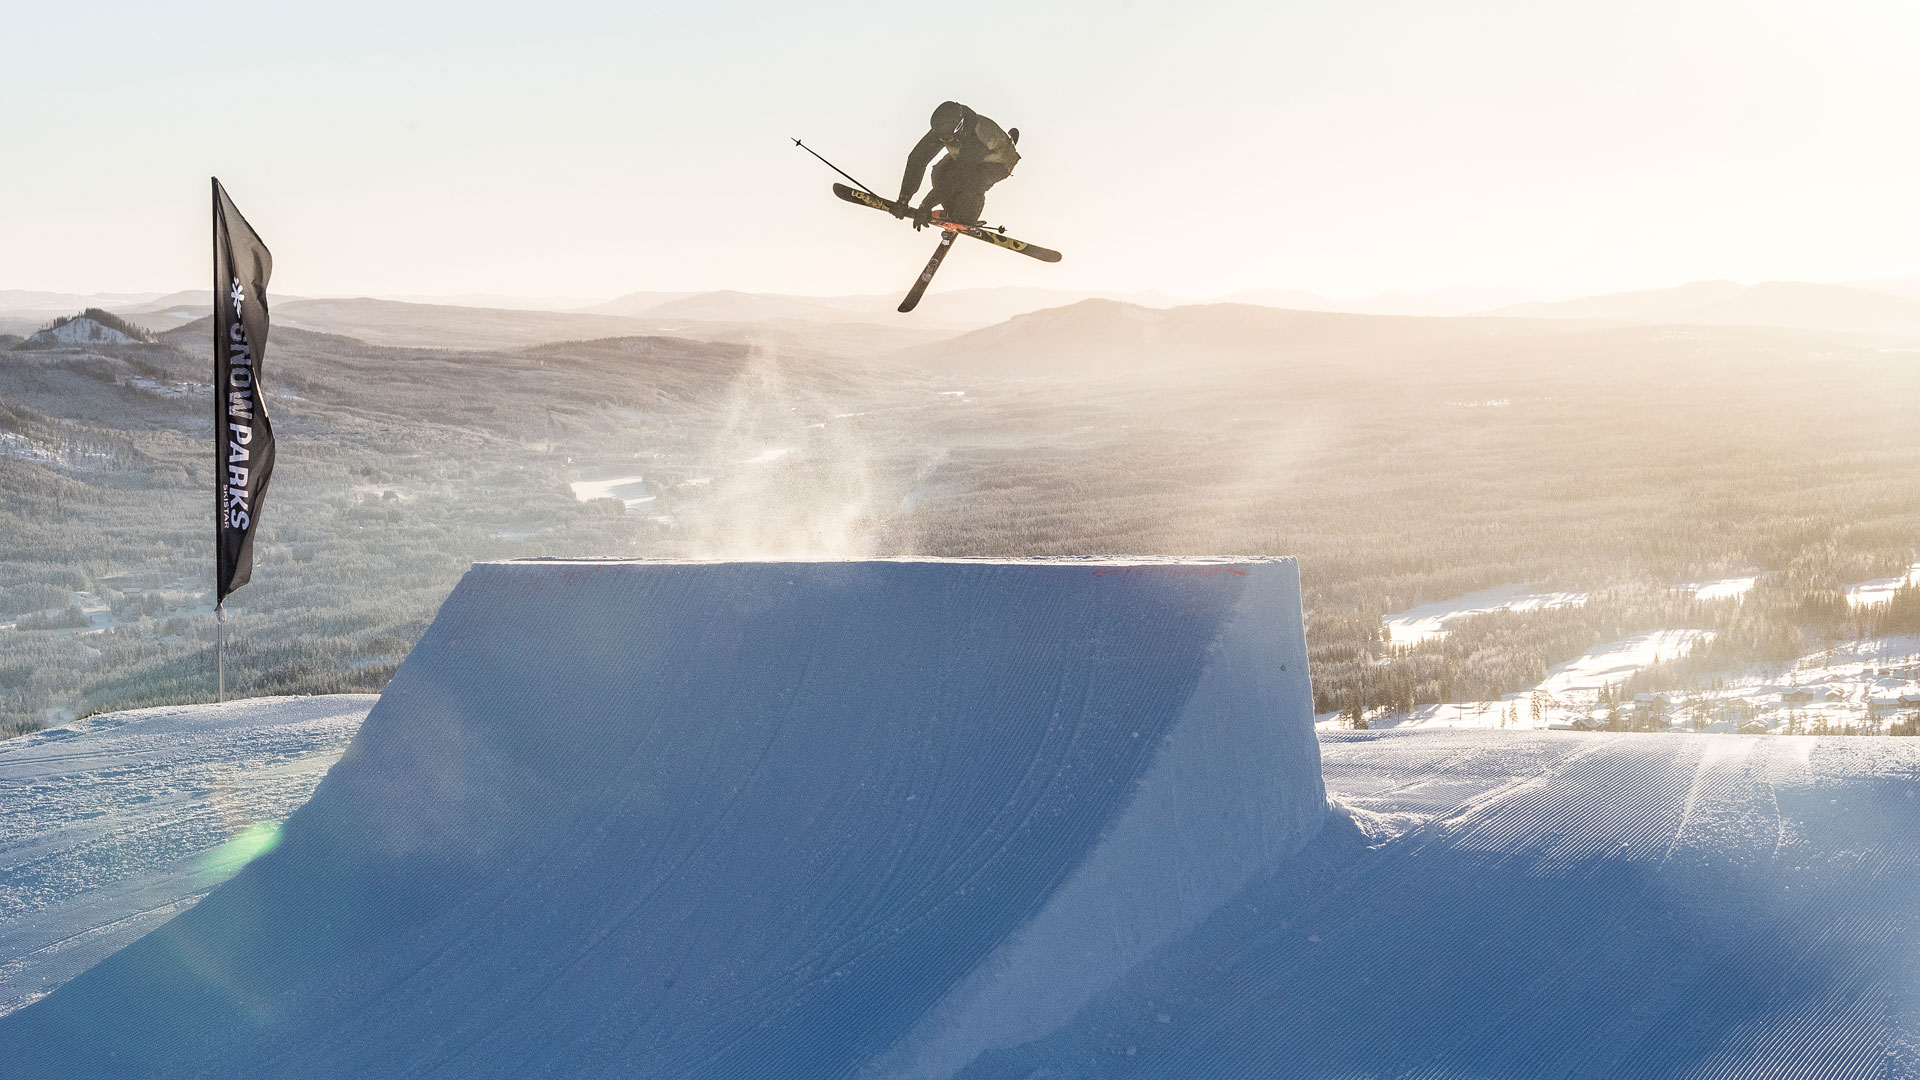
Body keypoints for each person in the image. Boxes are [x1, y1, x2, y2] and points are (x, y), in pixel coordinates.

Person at [894, 101, 1020, 229]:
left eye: (948, 139)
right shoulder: (945, 128)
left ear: (959, 128)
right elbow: (918, 159)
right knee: (939, 172)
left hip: (998, 161)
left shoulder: (977, 137)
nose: (945, 141)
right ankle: (953, 211)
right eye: (942, 138)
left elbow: (957, 176)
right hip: (964, 155)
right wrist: (904, 198)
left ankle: (965, 216)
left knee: (973, 180)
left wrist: (926, 205)